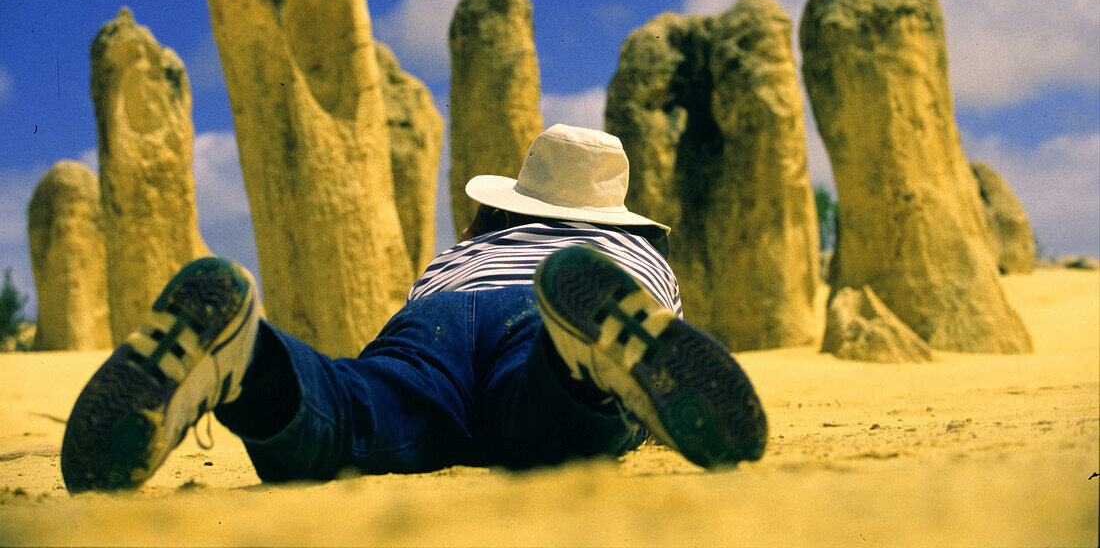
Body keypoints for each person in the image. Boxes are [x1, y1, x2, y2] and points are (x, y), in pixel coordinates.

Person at [61, 124, 767, 493]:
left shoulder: (463, 248)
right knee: (549, 419)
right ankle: (581, 359)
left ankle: (250, 360)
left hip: (440, 313)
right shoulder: (643, 261)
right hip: (548, 312)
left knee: (361, 409)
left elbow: (422, 303)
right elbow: (669, 354)